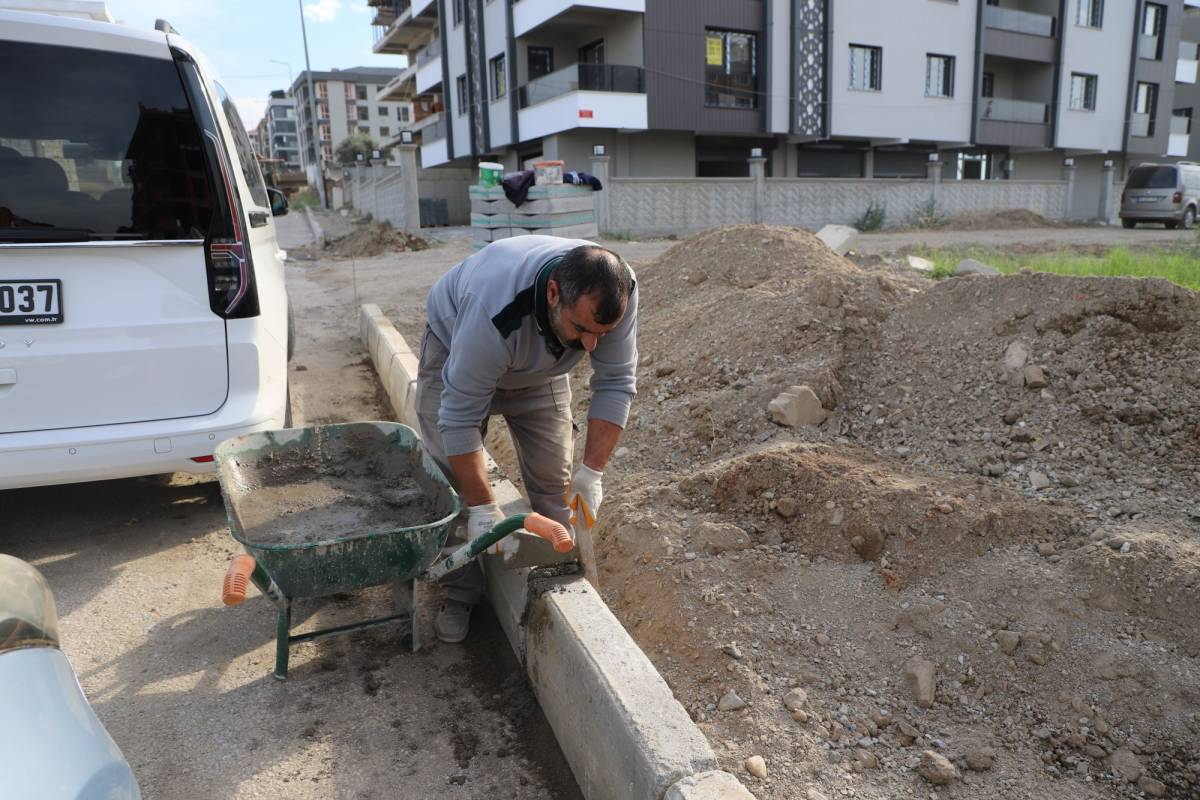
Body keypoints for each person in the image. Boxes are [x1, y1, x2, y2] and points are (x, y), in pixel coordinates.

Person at [415, 236, 637, 642]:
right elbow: (458, 418)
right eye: (583, 330)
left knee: (555, 483)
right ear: (553, 293)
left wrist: (592, 473)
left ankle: (562, 582)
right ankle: (460, 593)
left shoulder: (619, 291)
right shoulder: (493, 307)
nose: (591, 346)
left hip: (541, 373)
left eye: (602, 334)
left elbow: (617, 382)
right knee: (450, 485)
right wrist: (483, 505)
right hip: (458, 350)